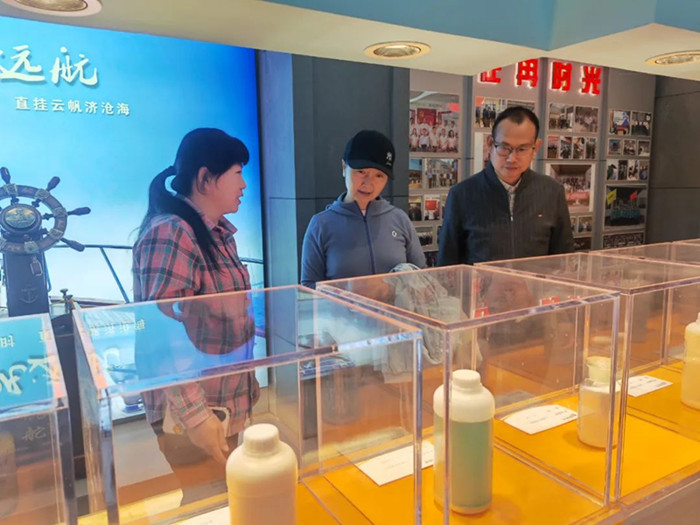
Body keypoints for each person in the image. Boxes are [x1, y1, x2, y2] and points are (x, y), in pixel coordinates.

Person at [132, 128, 258, 502]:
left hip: (223, 402)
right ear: (205, 178)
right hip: (197, 412)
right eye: (237, 173)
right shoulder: (172, 232)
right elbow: (163, 334)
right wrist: (196, 417)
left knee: (229, 499)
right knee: (209, 502)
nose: (244, 185)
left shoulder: (217, 233)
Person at [438, 106, 573, 266]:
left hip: (534, 283)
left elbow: (563, 260)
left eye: (522, 149)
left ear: (535, 148)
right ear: (490, 143)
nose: (512, 158)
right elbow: (447, 266)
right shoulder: (462, 195)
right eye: (504, 147)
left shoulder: (552, 192)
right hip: (481, 283)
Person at [301, 129, 425, 289]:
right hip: (342, 307)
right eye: (361, 171)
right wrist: (349, 292)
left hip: (393, 307)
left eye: (379, 175)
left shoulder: (400, 219)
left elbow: (422, 277)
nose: (369, 183)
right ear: (344, 167)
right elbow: (308, 287)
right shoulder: (321, 225)